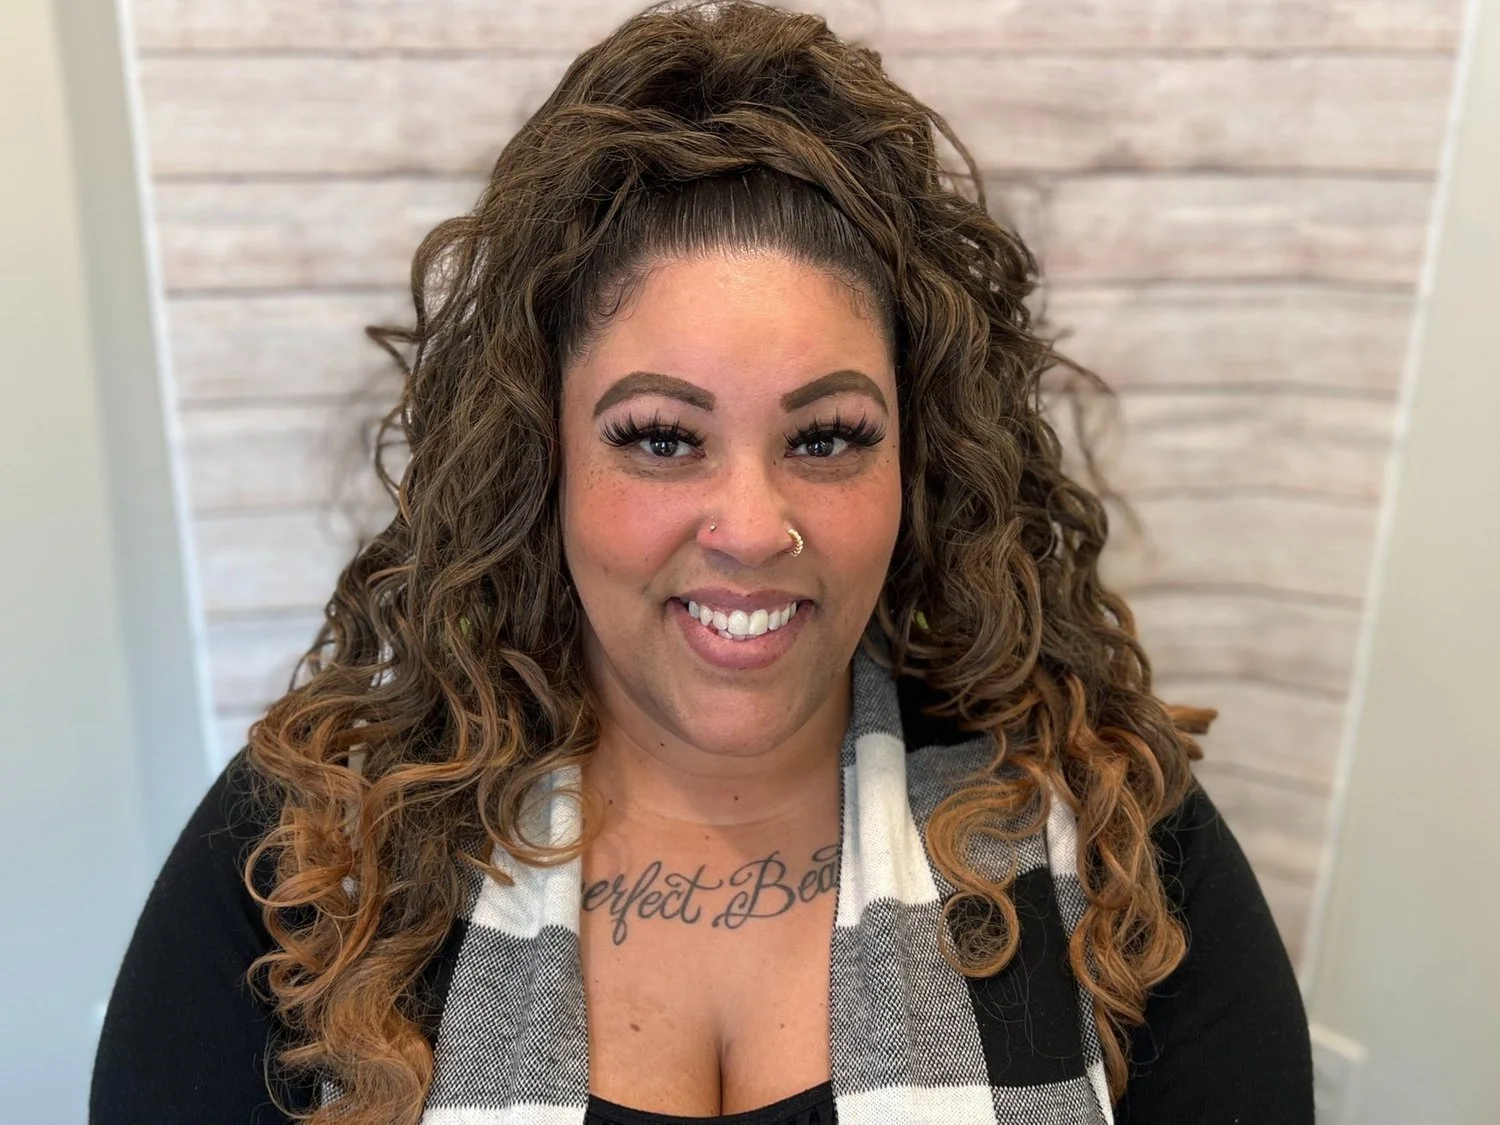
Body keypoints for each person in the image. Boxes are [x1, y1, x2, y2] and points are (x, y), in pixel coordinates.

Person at [90, 2, 1314, 1122]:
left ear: (915, 460)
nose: (749, 526)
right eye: (662, 439)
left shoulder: (1109, 833)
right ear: (543, 458)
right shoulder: (314, 854)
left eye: (827, 438)